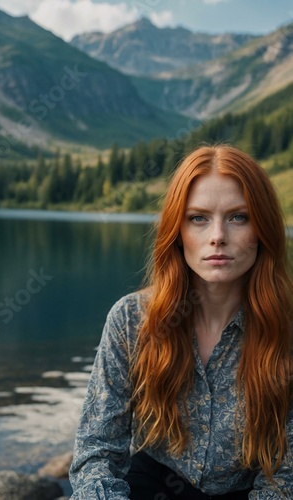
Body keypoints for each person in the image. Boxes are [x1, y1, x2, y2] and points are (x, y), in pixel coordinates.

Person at [69, 145, 293, 499]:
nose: (217, 235)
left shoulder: (287, 329)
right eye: (198, 218)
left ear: (262, 228)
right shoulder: (131, 321)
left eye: (239, 217)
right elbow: (97, 451)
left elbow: (285, 477)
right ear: (177, 230)